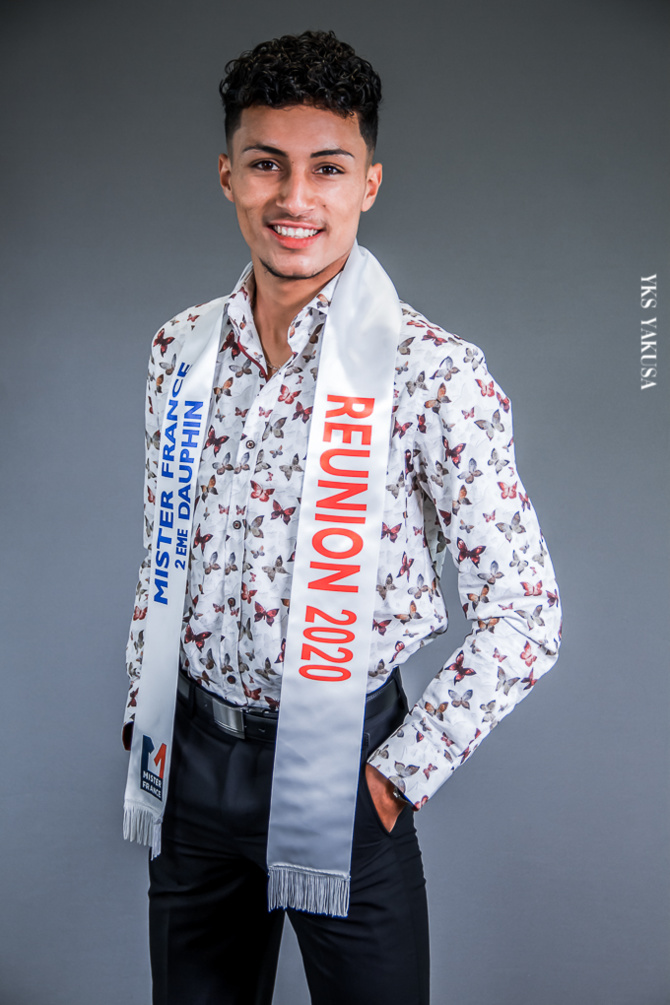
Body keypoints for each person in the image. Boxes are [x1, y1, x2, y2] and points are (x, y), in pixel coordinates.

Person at [123, 28, 561, 1005]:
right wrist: (139, 715)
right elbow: (163, 552)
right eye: (265, 165)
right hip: (191, 768)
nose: (294, 197)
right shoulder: (178, 353)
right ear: (227, 176)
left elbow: (525, 616)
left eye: (327, 168)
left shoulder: (432, 373)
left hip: (346, 773)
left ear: (368, 184)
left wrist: (395, 779)